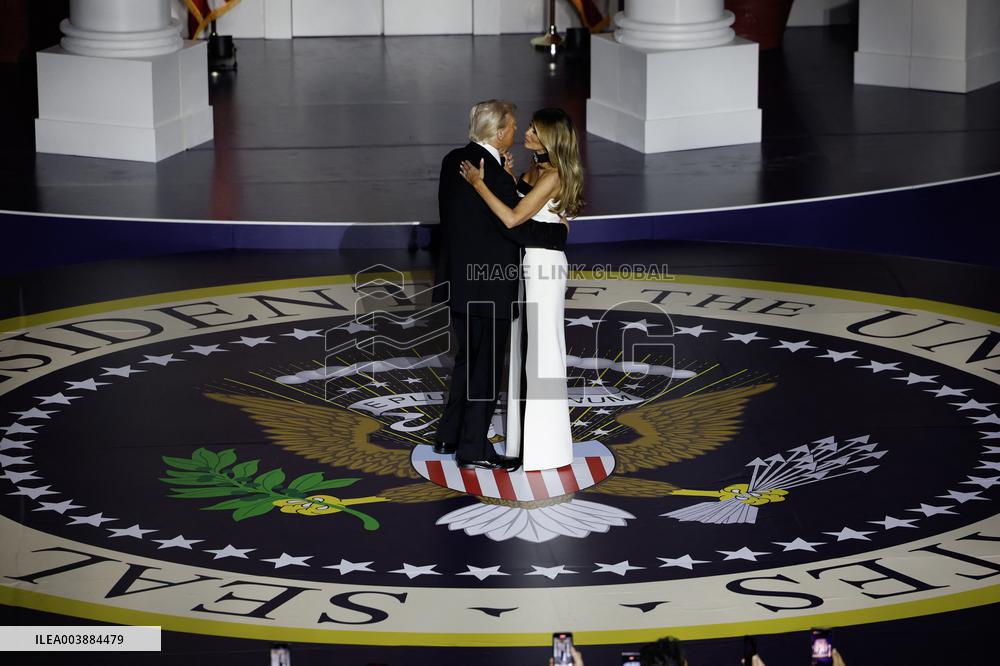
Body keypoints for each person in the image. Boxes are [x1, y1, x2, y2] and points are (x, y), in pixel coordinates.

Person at [434, 100, 568, 471]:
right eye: (512, 126)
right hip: (490, 284)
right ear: (498, 133)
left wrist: (505, 179)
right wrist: (560, 233)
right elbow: (516, 224)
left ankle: (448, 435)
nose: (517, 131)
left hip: (458, 280)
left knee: (465, 360)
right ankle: (473, 447)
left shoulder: (452, 160)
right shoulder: (488, 172)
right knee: (486, 369)